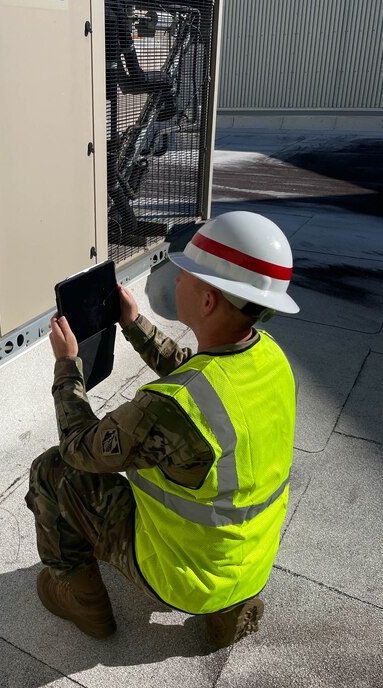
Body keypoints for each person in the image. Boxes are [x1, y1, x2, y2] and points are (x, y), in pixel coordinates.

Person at [26, 211, 299, 647]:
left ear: (208, 300)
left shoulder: (170, 410)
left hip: (184, 577)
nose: (177, 280)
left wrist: (65, 366)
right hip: (249, 563)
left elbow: (80, 447)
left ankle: (84, 602)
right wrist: (135, 327)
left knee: (53, 471)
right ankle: (229, 609)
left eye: (186, 274)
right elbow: (198, 374)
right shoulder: (271, 360)